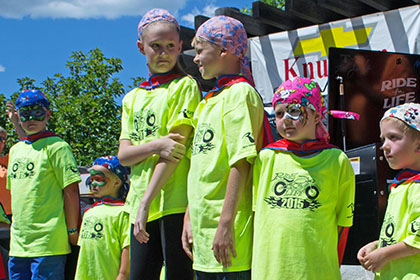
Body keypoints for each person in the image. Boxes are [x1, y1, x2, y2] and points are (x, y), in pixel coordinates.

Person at [117, 8, 201, 280]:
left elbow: (174, 151)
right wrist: (156, 145)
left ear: (180, 47)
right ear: (141, 47)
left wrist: (145, 202)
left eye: (169, 46)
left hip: (173, 204)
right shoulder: (132, 97)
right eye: (155, 46)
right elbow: (124, 156)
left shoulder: (185, 86)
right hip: (140, 205)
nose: (163, 53)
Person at [183, 16, 265, 279]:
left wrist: (226, 223)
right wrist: (189, 217)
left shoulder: (240, 94)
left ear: (224, 50)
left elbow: (242, 161)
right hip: (203, 231)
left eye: (199, 51)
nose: (195, 59)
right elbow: (196, 168)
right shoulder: (207, 102)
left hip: (228, 232)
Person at [252, 77, 355, 279]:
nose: (286, 120)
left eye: (294, 111)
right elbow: (257, 215)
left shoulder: (337, 160)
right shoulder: (266, 157)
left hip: (316, 271)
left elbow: (343, 225)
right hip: (270, 272)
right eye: (280, 114)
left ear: (316, 115)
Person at [7, 89, 81, 280]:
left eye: (37, 112)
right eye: (25, 113)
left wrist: (73, 230)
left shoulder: (57, 147)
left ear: (47, 114)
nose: (31, 118)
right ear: (17, 115)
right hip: (18, 244)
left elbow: (71, 191)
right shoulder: (15, 150)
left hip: (49, 243)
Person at [357, 103, 420, 279]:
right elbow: (405, 234)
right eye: (383, 138)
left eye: (393, 137)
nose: (384, 146)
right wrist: (379, 245)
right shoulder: (403, 184)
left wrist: (385, 254)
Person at [75, 155, 130, 280]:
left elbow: (127, 247)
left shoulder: (123, 212)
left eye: (99, 179)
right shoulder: (89, 212)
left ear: (117, 182)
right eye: (91, 179)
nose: (93, 184)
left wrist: (123, 274)